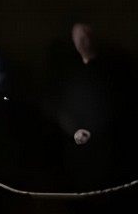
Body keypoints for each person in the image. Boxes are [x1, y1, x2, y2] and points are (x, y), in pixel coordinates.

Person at [49, 22, 134, 194]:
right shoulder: (69, 70)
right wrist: (74, 130)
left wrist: (94, 131)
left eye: (85, 36)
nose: (83, 41)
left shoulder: (112, 68)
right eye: (79, 38)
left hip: (106, 149)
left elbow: (117, 105)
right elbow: (60, 106)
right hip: (78, 150)